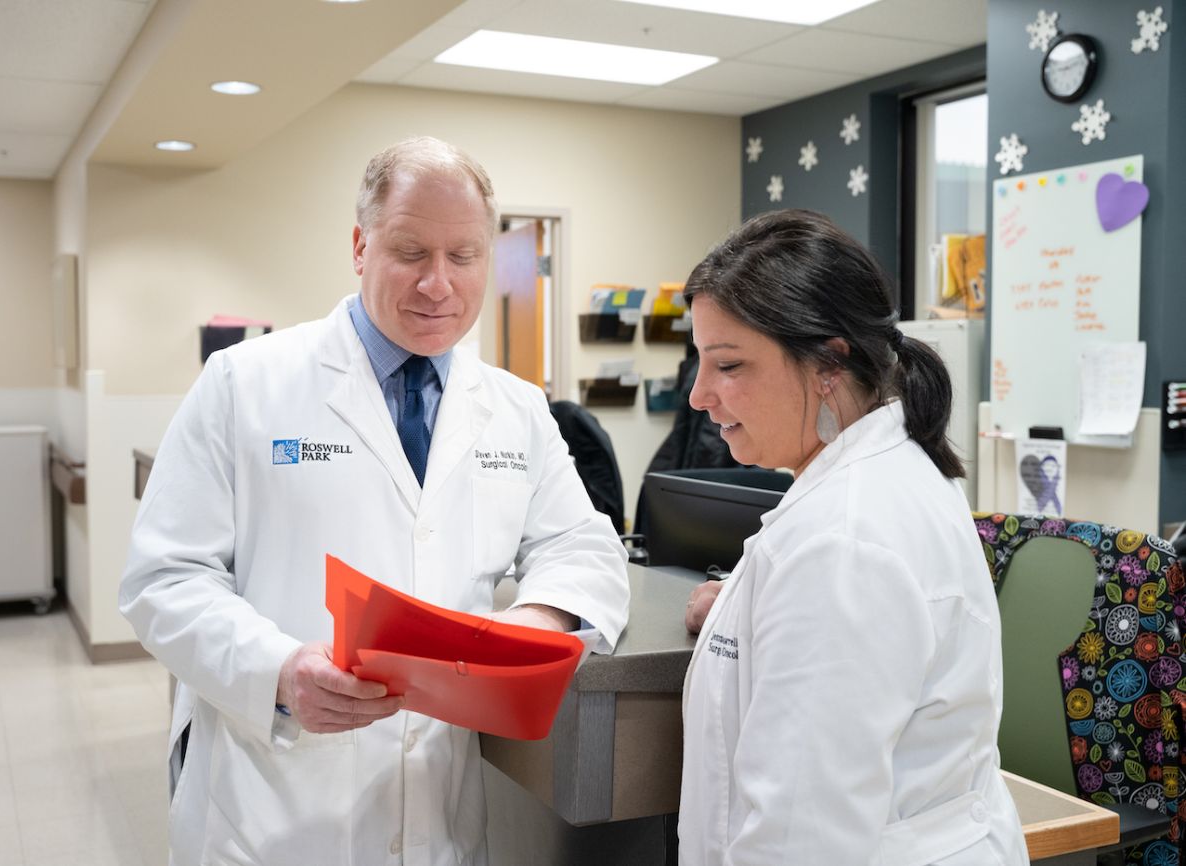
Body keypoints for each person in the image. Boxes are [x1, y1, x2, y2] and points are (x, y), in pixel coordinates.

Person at [119, 137, 630, 866]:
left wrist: (529, 625)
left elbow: (584, 545)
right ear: (361, 246)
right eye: (411, 251)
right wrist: (281, 672)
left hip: (438, 808)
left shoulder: (516, 407)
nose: (438, 284)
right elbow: (161, 579)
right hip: (275, 809)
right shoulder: (244, 385)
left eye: (465, 256)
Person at [677, 210, 1027, 865]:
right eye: (699, 361)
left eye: (728, 366)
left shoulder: (840, 544)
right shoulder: (886, 472)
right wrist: (741, 601)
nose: (699, 395)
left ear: (828, 365)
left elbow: (799, 842)